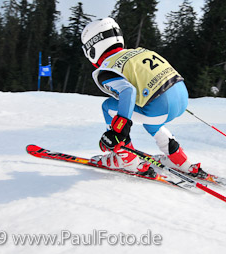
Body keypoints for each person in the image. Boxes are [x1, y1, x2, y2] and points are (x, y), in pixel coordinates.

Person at [80, 17, 205, 178]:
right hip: (181, 98)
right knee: (151, 121)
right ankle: (179, 160)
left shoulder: (108, 68)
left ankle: (125, 159)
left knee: (108, 107)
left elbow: (127, 91)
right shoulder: (138, 52)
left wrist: (119, 130)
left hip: (159, 107)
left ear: (92, 48)